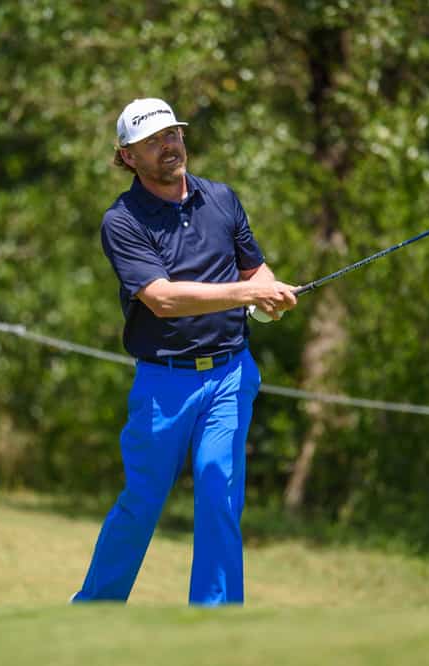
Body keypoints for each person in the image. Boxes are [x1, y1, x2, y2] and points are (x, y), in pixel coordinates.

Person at [71, 98, 298, 606]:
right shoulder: (123, 220)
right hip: (164, 382)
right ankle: (94, 609)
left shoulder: (221, 199)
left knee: (219, 495)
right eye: (152, 142)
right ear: (127, 157)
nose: (169, 146)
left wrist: (269, 293)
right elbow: (163, 298)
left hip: (229, 374)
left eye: (172, 134)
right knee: (143, 503)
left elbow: (252, 270)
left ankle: (214, 623)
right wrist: (248, 295)